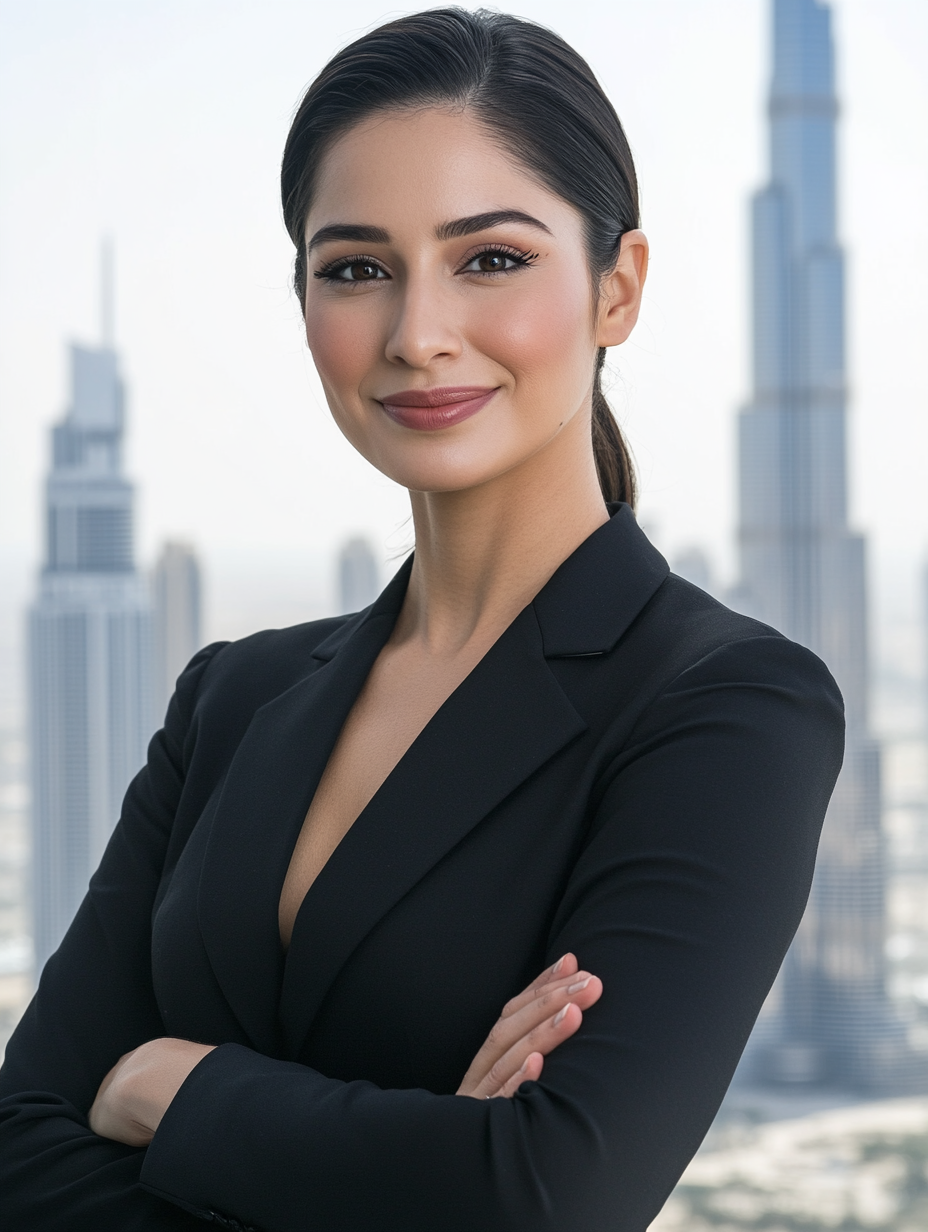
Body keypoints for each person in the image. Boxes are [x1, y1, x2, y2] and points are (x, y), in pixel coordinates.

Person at [0, 9, 844, 1231]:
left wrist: (173, 1089)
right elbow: (20, 1146)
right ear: (302, 301)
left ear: (618, 286)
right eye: (356, 267)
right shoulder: (230, 698)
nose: (416, 334)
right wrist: (420, 1154)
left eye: (489, 258)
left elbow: (548, 1191)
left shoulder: (724, 706)